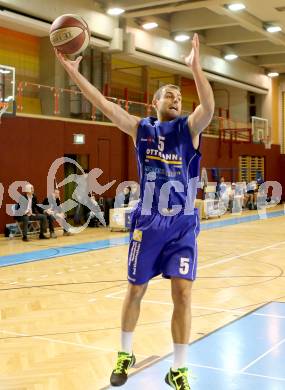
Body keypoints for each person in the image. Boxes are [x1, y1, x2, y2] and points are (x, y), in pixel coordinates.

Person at [55, 32, 214, 390]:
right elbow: (101, 104)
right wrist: (73, 73)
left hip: (183, 225)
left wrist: (196, 69)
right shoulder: (140, 129)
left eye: (179, 95)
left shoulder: (189, 129)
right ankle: (125, 354)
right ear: (154, 103)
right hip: (148, 221)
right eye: (168, 94)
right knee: (136, 290)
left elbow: (208, 107)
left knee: (184, 293)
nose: (175, 97)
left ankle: (179, 369)